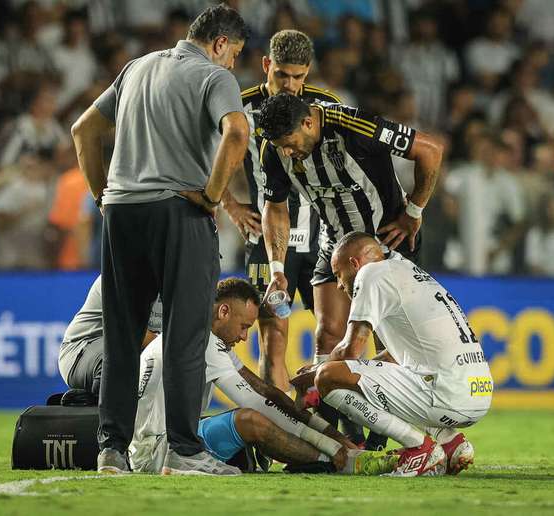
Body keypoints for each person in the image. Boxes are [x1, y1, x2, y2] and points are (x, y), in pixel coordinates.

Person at [70, 4, 250, 475]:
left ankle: (111, 450)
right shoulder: (214, 77)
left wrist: (102, 195)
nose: (232, 64)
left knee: (122, 338)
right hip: (179, 212)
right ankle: (185, 451)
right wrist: (212, 197)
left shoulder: (136, 68)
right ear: (220, 44)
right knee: (186, 338)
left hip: (123, 214)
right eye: (234, 54)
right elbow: (237, 134)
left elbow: (84, 130)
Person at [254, 92, 444, 375]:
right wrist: (277, 268)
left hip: (386, 242)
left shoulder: (354, 125)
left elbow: (430, 150)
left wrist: (413, 212)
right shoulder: (274, 150)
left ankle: (392, 418)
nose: (287, 153)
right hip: (336, 245)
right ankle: (333, 420)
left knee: (390, 345)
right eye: (281, 147)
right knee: (329, 336)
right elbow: (276, 208)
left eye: (290, 145)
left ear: (308, 123)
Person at [129, 278, 396, 476]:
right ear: (223, 312)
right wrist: (331, 445)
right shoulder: (204, 342)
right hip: (157, 452)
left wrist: (324, 428)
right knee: (250, 420)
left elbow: (264, 390)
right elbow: (255, 404)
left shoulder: (202, 335)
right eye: (244, 326)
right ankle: (342, 462)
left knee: (256, 415)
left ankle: (335, 455)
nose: (245, 336)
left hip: (169, 439)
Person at [300, 232, 493, 477]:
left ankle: (418, 447)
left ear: (354, 264)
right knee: (382, 376)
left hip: (449, 393)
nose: (339, 285)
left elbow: (351, 350)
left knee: (329, 376)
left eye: (338, 275)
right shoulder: (409, 272)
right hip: (478, 392)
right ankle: (449, 442)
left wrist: (316, 372)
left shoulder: (371, 274)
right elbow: (392, 360)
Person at [222, 29, 340, 395]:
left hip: (321, 238)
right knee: (273, 340)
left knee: (334, 335)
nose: (290, 84)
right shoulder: (239, 107)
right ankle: (285, 439)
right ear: (266, 65)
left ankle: (337, 439)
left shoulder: (325, 107)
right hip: (268, 238)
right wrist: (231, 206)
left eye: (298, 76)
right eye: (282, 75)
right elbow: (202, 159)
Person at [57, 276, 162, 397]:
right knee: (124, 356)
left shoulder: (179, 283)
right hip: (80, 350)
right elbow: (134, 333)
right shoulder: (120, 273)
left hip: (136, 352)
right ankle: (101, 403)